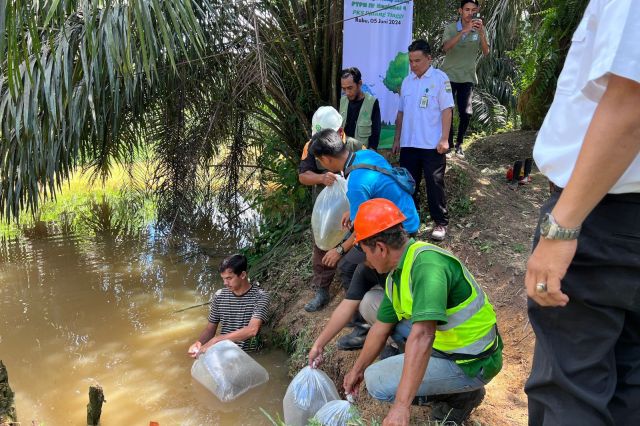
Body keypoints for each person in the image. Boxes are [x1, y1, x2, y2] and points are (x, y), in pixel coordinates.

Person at [524, 1, 640, 424]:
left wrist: (562, 227)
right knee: (630, 383)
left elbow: (631, 103)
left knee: (569, 388)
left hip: (602, 213)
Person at [342, 198, 502, 426]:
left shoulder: (428, 267)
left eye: (365, 254)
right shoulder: (399, 271)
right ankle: (428, 377)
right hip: (447, 345)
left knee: (376, 381)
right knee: (373, 309)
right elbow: (380, 327)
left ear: (380, 248)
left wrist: (401, 406)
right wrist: (357, 369)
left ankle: (461, 397)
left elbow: (424, 335)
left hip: (472, 361)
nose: (365, 263)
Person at [307, 129, 419, 353]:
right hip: (408, 214)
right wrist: (353, 209)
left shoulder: (356, 183)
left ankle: (363, 327)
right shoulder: (365, 156)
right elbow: (377, 190)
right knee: (358, 266)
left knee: (349, 265)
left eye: (320, 160)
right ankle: (365, 311)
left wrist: (339, 249)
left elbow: (361, 232)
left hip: (398, 229)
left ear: (327, 159)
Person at [299, 106, 366, 312]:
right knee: (323, 242)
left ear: (339, 130)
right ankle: (322, 289)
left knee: (355, 241)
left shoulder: (355, 145)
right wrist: (321, 177)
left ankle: (355, 291)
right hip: (326, 209)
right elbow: (303, 176)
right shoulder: (311, 146)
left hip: (352, 206)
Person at [392, 39, 454, 241]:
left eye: (417, 60)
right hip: (409, 144)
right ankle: (411, 222)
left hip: (431, 145)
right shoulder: (407, 81)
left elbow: (447, 110)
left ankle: (440, 223)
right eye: (411, 61)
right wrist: (397, 139)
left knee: (434, 183)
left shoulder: (439, 78)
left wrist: (444, 139)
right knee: (408, 185)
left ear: (429, 58)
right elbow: (400, 113)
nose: (413, 65)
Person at [188, 254, 270, 355]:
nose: (225, 283)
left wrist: (217, 340)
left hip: (250, 356)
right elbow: (210, 329)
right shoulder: (220, 296)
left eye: (229, 278)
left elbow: (252, 330)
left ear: (243, 275)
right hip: (225, 354)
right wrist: (199, 343)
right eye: (223, 278)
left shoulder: (260, 296)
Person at [440, 0, 489, 157]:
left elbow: (486, 51)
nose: (470, 13)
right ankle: (448, 142)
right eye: (467, 9)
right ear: (460, 11)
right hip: (448, 75)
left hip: (467, 76)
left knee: (466, 112)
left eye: (473, 10)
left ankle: (459, 144)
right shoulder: (451, 28)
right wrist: (464, 32)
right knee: (448, 110)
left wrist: (481, 33)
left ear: (477, 11)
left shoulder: (481, 30)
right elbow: (445, 48)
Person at [339, 67, 382, 150]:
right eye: (344, 88)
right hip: (344, 155)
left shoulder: (372, 102)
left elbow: (375, 133)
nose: (347, 92)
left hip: (363, 155)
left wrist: (370, 154)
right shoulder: (342, 101)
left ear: (359, 83)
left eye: (350, 88)